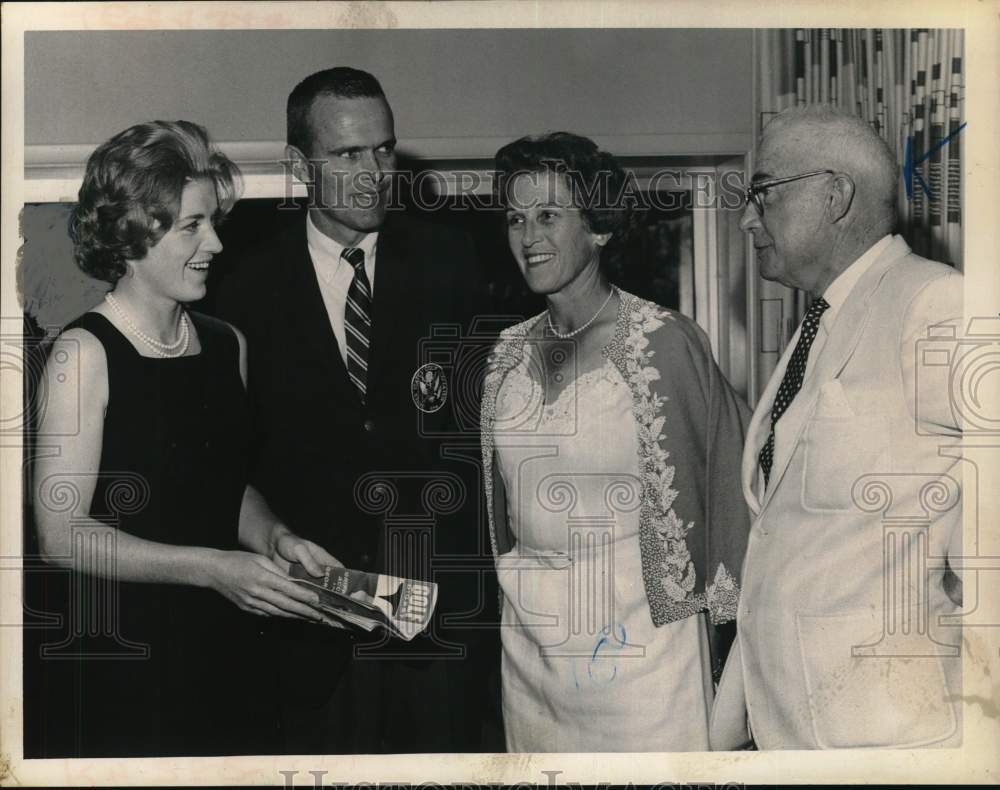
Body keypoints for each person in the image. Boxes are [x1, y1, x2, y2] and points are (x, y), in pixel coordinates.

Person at [25, 121, 338, 758]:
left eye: (212, 221)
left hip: (225, 645)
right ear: (131, 234)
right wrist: (211, 567)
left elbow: (225, 485)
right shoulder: (83, 354)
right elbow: (61, 537)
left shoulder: (227, 345)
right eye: (191, 226)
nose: (217, 244)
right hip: (122, 656)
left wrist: (277, 537)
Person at [215, 67, 498, 753]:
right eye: (348, 154)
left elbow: (488, 443)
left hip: (437, 634)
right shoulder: (237, 287)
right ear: (297, 165)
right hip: (301, 635)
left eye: (384, 150)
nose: (374, 171)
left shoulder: (457, 264)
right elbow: (224, 464)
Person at [482, 132, 751, 751]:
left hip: (640, 653)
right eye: (516, 218)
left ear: (599, 227)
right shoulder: (504, 356)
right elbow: (500, 510)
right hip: (531, 651)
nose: (527, 237)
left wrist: (723, 636)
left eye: (549, 215)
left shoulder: (664, 341)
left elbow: (727, 483)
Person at [709, 105, 964, 750]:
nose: (745, 218)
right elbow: (780, 542)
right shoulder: (815, 326)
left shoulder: (937, 303)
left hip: (886, 737)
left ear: (835, 195)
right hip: (788, 729)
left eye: (761, 193)